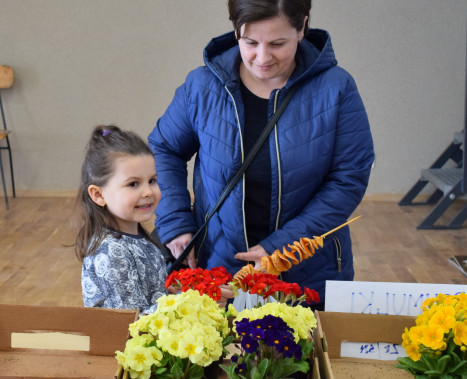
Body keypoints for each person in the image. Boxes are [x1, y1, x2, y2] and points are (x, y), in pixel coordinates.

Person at [148, 0, 374, 306]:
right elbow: (165, 148)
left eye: (278, 43)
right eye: (250, 42)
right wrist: (175, 220)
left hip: (307, 269)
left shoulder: (336, 88)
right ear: (236, 32)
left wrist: (283, 246)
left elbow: (348, 178)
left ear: (302, 27)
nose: (263, 57)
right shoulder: (202, 86)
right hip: (219, 267)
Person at [75, 125, 167, 314]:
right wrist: (187, 301)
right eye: (133, 184)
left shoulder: (137, 238)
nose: (148, 192)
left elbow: (150, 296)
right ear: (99, 195)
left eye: (152, 180)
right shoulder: (111, 252)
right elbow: (132, 322)